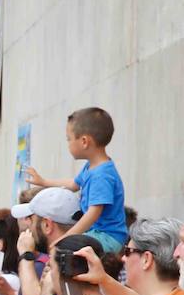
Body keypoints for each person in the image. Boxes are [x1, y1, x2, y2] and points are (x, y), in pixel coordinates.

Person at [28, 107, 129, 252]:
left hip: (108, 237)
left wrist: (66, 238)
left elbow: (92, 214)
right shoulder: (91, 167)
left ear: (84, 141)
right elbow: (73, 184)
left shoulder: (102, 175)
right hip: (96, 233)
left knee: (66, 254)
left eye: (69, 139)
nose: (68, 144)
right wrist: (44, 182)